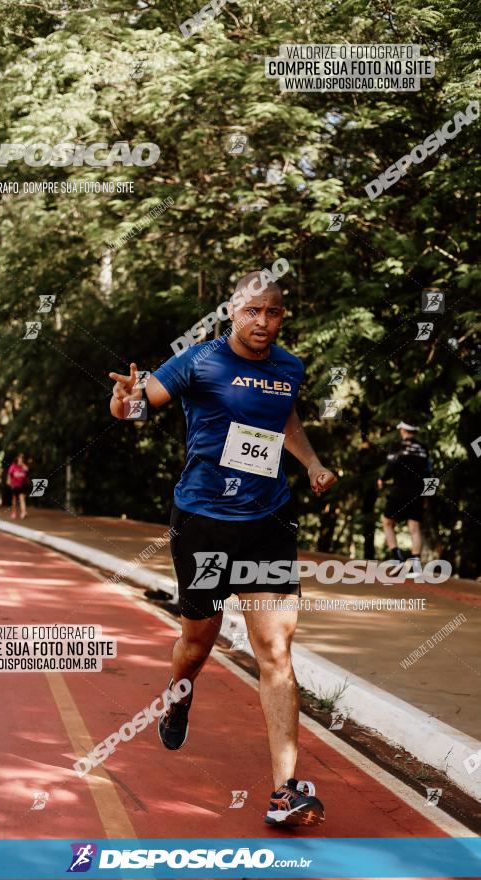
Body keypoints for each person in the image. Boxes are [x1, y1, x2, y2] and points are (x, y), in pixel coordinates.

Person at [109, 271, 336, 827]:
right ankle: (180, 693)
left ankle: (285, 791)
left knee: (276, 654)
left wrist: (310, 462)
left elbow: (284, 419)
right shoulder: (199, 360)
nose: (263, 322)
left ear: (283, 317)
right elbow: (143, 405)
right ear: (233, 310)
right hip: (204, 521)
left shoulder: (289, 368)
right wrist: (123, 403)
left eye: (274, 312)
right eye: (253, 310)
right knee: (197, 640)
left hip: (267, 521)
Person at [377, 421, 432, 566]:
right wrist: (427, 496)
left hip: (399, 491)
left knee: (387, 522)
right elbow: (429, 473)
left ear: (403, 430)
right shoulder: (424, 449)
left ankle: (396, 556)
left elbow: (391, 467)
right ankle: (415, 564)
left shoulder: (396, 447)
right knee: (414, 528)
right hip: (418, 492)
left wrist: (382, 479)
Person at [7, 453, 29, 519]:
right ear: (17, 458)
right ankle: (14, 512)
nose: (21, 459)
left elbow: (27, 470)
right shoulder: (13, 466)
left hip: (22, 485)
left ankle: (23, 512)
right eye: (20, 458)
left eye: (22, 458)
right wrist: (8, 480)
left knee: (22, 498)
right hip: (15, 485)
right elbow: (9, 474)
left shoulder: (23, 466)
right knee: (14, 499)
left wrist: (22, 464)